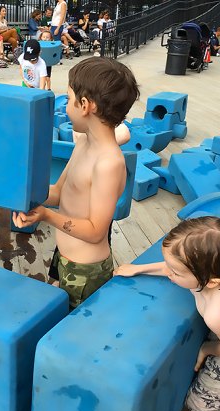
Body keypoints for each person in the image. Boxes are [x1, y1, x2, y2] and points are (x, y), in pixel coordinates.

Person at [113, 216, 220, 411]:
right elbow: (176, 267)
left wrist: (206, 350)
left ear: (211, 282)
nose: (169, 273)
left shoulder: (217, 312)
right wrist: (138, 268)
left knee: (202, 403)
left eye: (175, 273)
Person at [12, 57, 140, 310]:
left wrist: (46, 216)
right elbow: (59, 192)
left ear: (85, 105)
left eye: (69, 100)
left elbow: (95, 231)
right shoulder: (83, 143)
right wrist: (23, 193)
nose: (66, 107)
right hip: (65, 255)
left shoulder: (109, 163)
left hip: (86, 270)